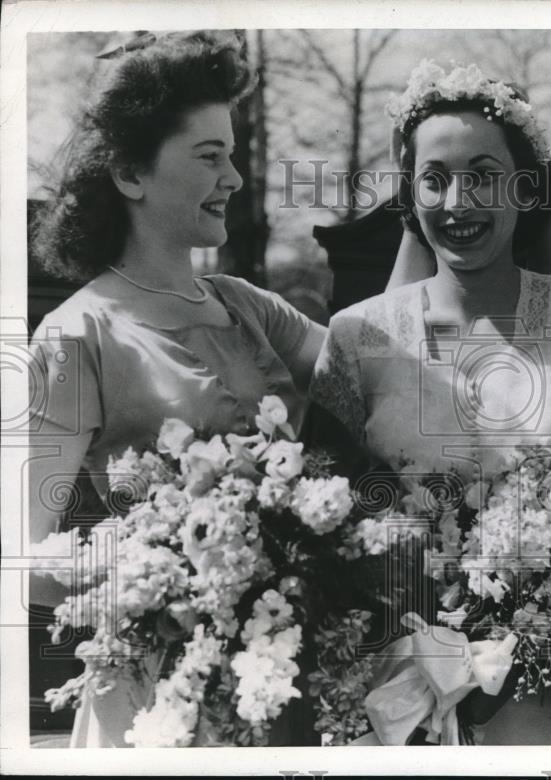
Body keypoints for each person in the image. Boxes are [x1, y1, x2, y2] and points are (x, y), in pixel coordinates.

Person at [309, 61, 551, 744]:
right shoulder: (357, 335)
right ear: (410, 193)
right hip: (395, 701)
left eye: (484, 175)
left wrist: (550, 615)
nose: (458, 201)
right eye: (435, 176)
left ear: (524, 190)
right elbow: (317, 529)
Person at [28, 31, 327, 747]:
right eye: (208, 156)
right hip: (156, 695)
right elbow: (19, 557)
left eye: (231, 155)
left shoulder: (248, 306)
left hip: (282, 677)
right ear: (131, 173)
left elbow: (384, 363)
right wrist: (158, 566)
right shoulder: (78, 334)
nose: (234, 179)